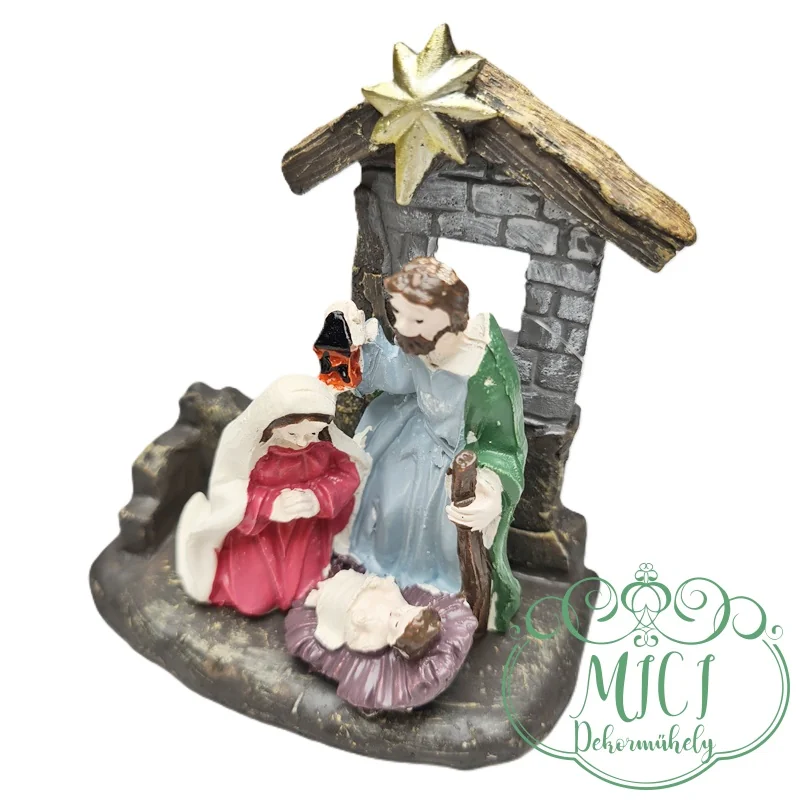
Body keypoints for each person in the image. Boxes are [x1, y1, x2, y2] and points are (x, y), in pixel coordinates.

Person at [330, 256, 527, 633]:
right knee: (386, 493)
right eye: (400, 316)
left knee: (442, 521)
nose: (404, 329)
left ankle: (436, 593)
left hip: (458, 455)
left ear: (448, 317)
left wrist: (491, 493)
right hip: (413, 435)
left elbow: (503, 444)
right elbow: (394, 373)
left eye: (416, 320)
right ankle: (375, 579)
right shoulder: (417, 344)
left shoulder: (484, 369)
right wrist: (348, 342)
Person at [175, 375, 368, 616]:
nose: (302, 442)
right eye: (292, 434)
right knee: (253, 602)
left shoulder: (323, 450)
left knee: (305, 592)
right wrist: (269, 504)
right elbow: (230, 489)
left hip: (306, 535)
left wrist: (318, 497)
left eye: (312, 433)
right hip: (260, 537)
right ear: (272, 423)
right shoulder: (254, 453)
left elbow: (348, 474)